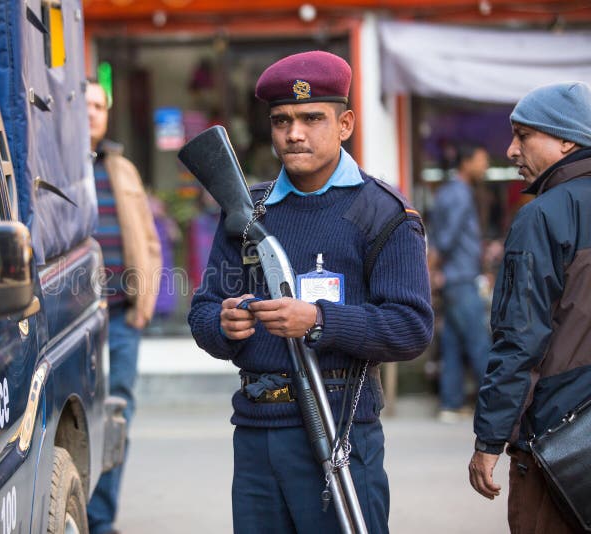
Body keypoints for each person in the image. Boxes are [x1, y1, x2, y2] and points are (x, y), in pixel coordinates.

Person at [187, 51, 433, 534]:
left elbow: (411, 328)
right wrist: (223, 323)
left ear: (344, 123)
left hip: (339, 427)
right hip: (256, 431)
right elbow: (202, 312)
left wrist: (320, 321)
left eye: (311, 118)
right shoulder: (246, 211)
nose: (294, 133)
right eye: (282, 120)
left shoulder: (384, 213)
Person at [468, 81, 591, 532]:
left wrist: (490, 438)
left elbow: (520, 339)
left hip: (560, 440)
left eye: (524, 135)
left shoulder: (544, 215)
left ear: (566, 140)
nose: (511, 149)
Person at [85, 80, 161, 534]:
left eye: (101, 105)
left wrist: (146, 300)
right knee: (75, 416)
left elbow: (149, 240)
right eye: (87, 103)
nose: (94, 112)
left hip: (122, 317)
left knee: (118, 415)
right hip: (74, 320)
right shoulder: (54, 163)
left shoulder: (123, 168)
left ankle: (100, 519)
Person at [428, 143, 492, 422]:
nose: (485, 166)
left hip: (453, 279)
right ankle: (496, 408)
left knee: (453, 343)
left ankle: (450, 404)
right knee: (479, 343)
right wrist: (430, 270)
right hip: (461, 278)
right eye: (482, 159)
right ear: (466, 162)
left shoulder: (448, 192)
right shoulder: (460, 194)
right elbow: (446, 239)